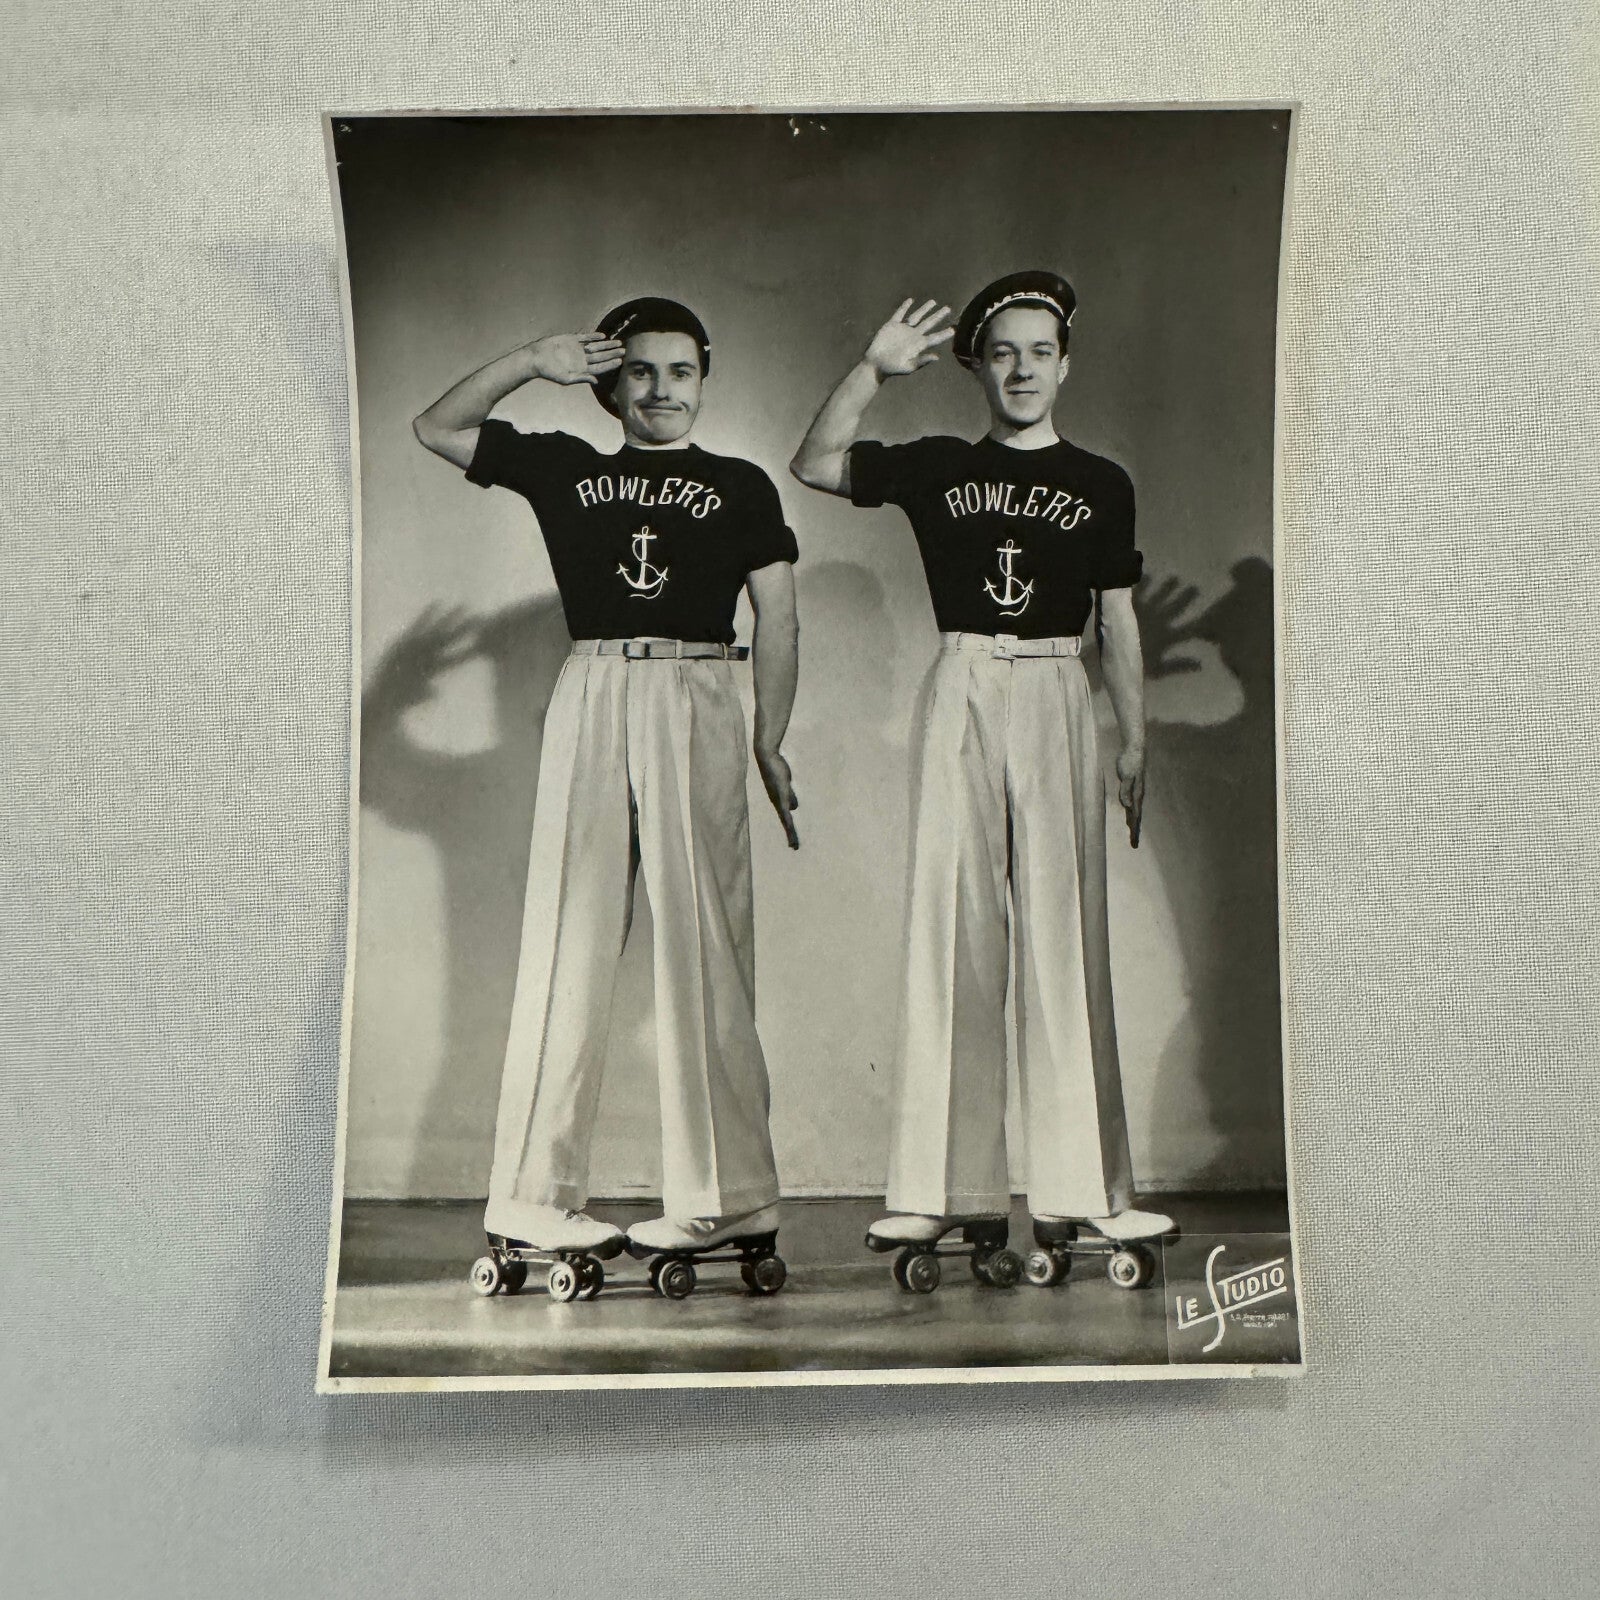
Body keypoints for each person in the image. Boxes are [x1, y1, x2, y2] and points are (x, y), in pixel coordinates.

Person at [789, 273, 1173, 1268]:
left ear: (1065, 364)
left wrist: (1133, 737)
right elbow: (816, 461)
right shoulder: (934, 464)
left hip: (1056, 682)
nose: (1021, 370)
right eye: (1002, 352)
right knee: (952, 926)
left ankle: (1086, 1192)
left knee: (1062, 933)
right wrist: (870, 370)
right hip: (960, 675)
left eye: (1039, 351)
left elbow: (1117, 619)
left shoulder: (1102, 481)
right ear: (976, 366)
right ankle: (937, 1191)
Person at [413, 296, 800, 1268]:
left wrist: (772, 735)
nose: (662, 389)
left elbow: (781, 616)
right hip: (592, 685)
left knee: (709, 943)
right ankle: (533, 1199)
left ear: (703, 379)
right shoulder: (565, 467)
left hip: (703, 685)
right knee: (569, 939)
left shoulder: (743, 484)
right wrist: (528, 358)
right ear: (608, 386)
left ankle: (731, 1198)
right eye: (640, 371)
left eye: (681, 371)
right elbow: (437, 426)